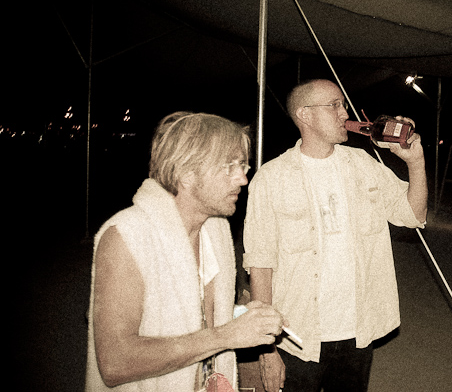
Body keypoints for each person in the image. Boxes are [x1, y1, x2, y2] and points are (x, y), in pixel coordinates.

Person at [243, 79, 428, 392]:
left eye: (343, 104)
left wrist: (415, 161)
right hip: (297, 338)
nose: (345, 113)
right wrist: (267, 349)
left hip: (358, 330)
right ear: (305, 115)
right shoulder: (271, 179)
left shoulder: (362, 165)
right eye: (335, 105)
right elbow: (260, 265)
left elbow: (411, 214)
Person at [85, 112, 286, 392]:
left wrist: (242, 316)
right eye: (230, 167)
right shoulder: (127, 235)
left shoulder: (215, 230)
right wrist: (225, 336)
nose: (242, 179)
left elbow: (196, 315)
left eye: (243, 165)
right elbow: (115, 363)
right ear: (187, 173)